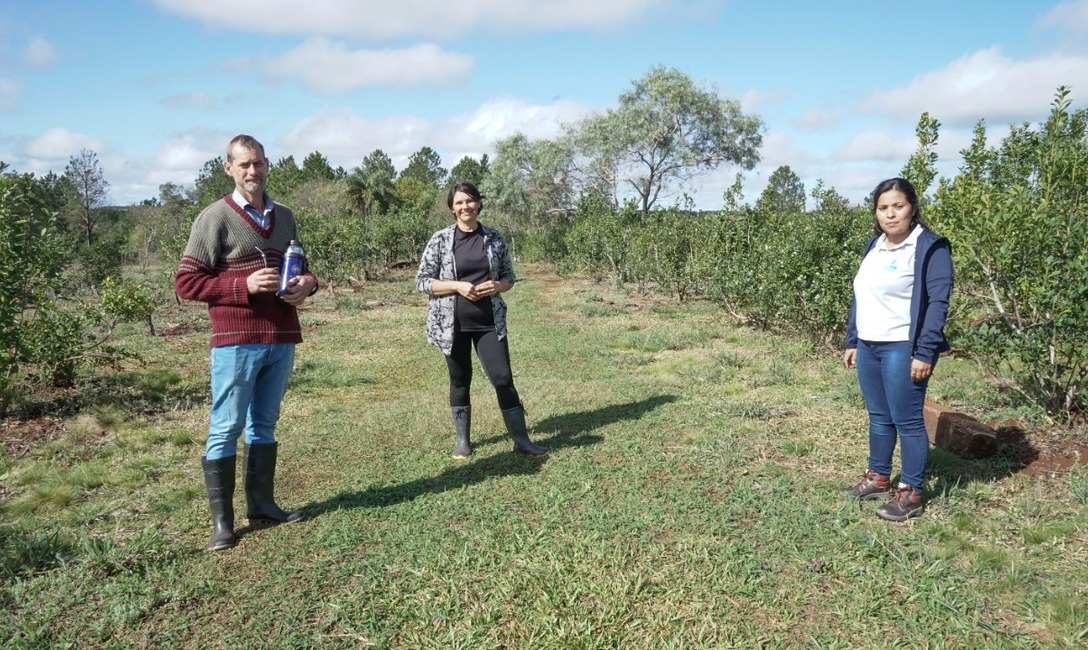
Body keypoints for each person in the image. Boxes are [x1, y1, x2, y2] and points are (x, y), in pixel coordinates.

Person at [176, 134, 319, 551]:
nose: (252, 171)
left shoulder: (284, 216)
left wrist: (308, 284)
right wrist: (244, 285)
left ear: (267, 164)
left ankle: (262, 505)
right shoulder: (214, 217)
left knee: (265, 423)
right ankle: (223, 525)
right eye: (243, 164)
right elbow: (186, 282)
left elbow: (302, 265)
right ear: (229, 168)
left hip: (281, 337)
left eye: (257, 163)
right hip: (236, 341)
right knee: (226, 427)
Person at [843, 177, 953, 522]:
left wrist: (925, 351)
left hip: (903, 346)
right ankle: (878, 477)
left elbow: (938, 303)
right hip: (869, 344)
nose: (890, 214)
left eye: (898, 206)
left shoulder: (930, 247)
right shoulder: (874, 245)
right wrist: (853, 339)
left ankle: (911, 492)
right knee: (878, 416)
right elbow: (862, 294)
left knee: (908, 420)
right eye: (883, 208)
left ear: (912, 208)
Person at [415, 181, 548, 459]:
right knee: (460, 380)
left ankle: (521, 440)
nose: (465, 206)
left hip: (489, 322)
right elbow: (423, 281)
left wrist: (498, 286)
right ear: (452, 208)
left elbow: (509, 277)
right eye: (459, 202)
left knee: (503, 378)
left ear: (478, 204)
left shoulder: (494, 238)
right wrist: (457, 286)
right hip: (452, 325)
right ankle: (463, 441)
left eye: (470, 201)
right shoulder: (440, 240)